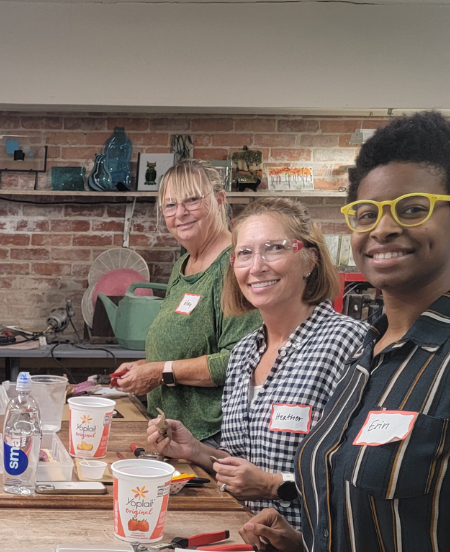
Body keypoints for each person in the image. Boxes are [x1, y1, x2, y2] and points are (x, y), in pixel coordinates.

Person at [240, 112, 450, 552]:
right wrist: (314, 542)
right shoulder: (364, 354)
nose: (384, 228)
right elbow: (381, 493)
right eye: (367, 214)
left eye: (412, 206)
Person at [145, 197, 367, 528]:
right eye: (245, 253)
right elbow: (242, 464)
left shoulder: (348, 343)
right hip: (248, 542)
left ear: (309, 259)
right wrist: (196, 452)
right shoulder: (245, 352)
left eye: (274, 248)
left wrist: (270, 487)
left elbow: (361, 480)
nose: (257, 266)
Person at [111, 159, 262, 442]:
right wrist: (147, 365)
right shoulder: (183, 265)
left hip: (213, 438)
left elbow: (237, 362)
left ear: (219, 200)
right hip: (175, 432)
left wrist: (160, 372)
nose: (180, 213)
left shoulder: (234, 265)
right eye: (170, 205)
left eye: (192, 200)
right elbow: (193, 346)